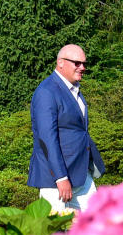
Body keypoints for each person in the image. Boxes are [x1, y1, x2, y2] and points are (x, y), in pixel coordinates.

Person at [27, 44, 105, 211]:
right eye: (77, 63)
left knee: (94, 223)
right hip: (55, 179)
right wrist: (61, 177)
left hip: (81, 174)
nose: (82, 67)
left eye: (84, 63)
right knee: (54, 232)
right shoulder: (46, 92)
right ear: (60, 62)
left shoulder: (73, 89)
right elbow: (47, 138)